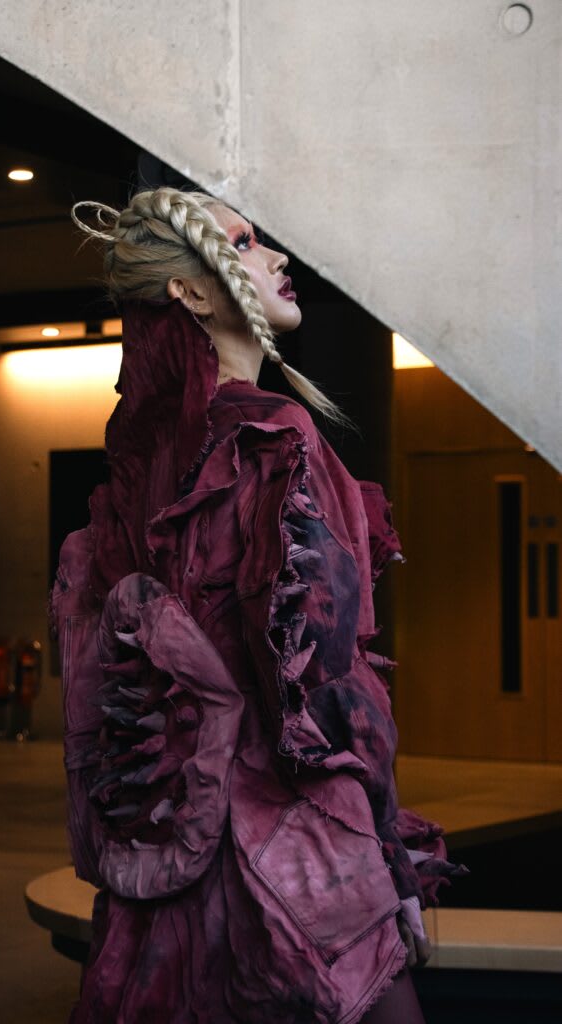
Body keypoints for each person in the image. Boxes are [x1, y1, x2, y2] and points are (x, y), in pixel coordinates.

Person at [50, 186, 465, 1023]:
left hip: (172, 855)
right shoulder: (272, 438)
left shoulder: (139, 471)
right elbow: (323, 687)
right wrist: (387, 855)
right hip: (295, 857)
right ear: (192, 292)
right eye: (242, 244)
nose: (276, 257)